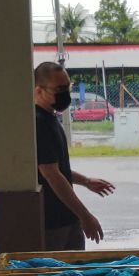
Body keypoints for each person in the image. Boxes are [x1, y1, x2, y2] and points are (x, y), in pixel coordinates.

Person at [33, 61, 114, 249]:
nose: (65, 94)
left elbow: (59, 169)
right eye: (59, 89)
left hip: (66, 217)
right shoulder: (39, 124)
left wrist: (86, 181)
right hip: (54, 223)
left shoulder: (50, 118)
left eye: (67, 87)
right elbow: (51, 174)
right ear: (39, 91)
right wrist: (85, 216)